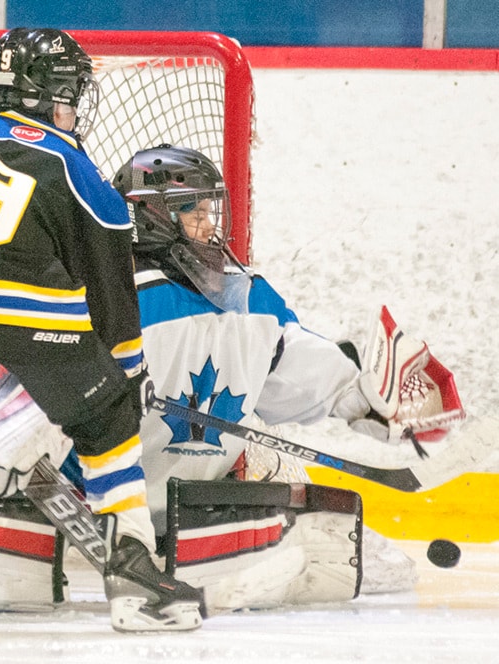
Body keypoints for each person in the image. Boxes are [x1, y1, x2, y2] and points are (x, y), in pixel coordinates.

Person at [0, 30, 201, 632]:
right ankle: (135, 572)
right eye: (68, 93)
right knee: (106, 417)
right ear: (46, 95)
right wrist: (128, 376)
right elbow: (113, 302)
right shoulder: (80, 171)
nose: (73, 105)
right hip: (32, 319)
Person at [107, 144, 432, 607]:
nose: (210, 225)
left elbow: (291, 363)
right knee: (322, 562)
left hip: (177, 511)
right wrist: (354, 396)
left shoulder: (240, 295)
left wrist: (359, 399)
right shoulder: (125, 302)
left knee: (347, 560)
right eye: (194, 212)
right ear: (152, 218)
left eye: (208, 209)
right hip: (125, 512)